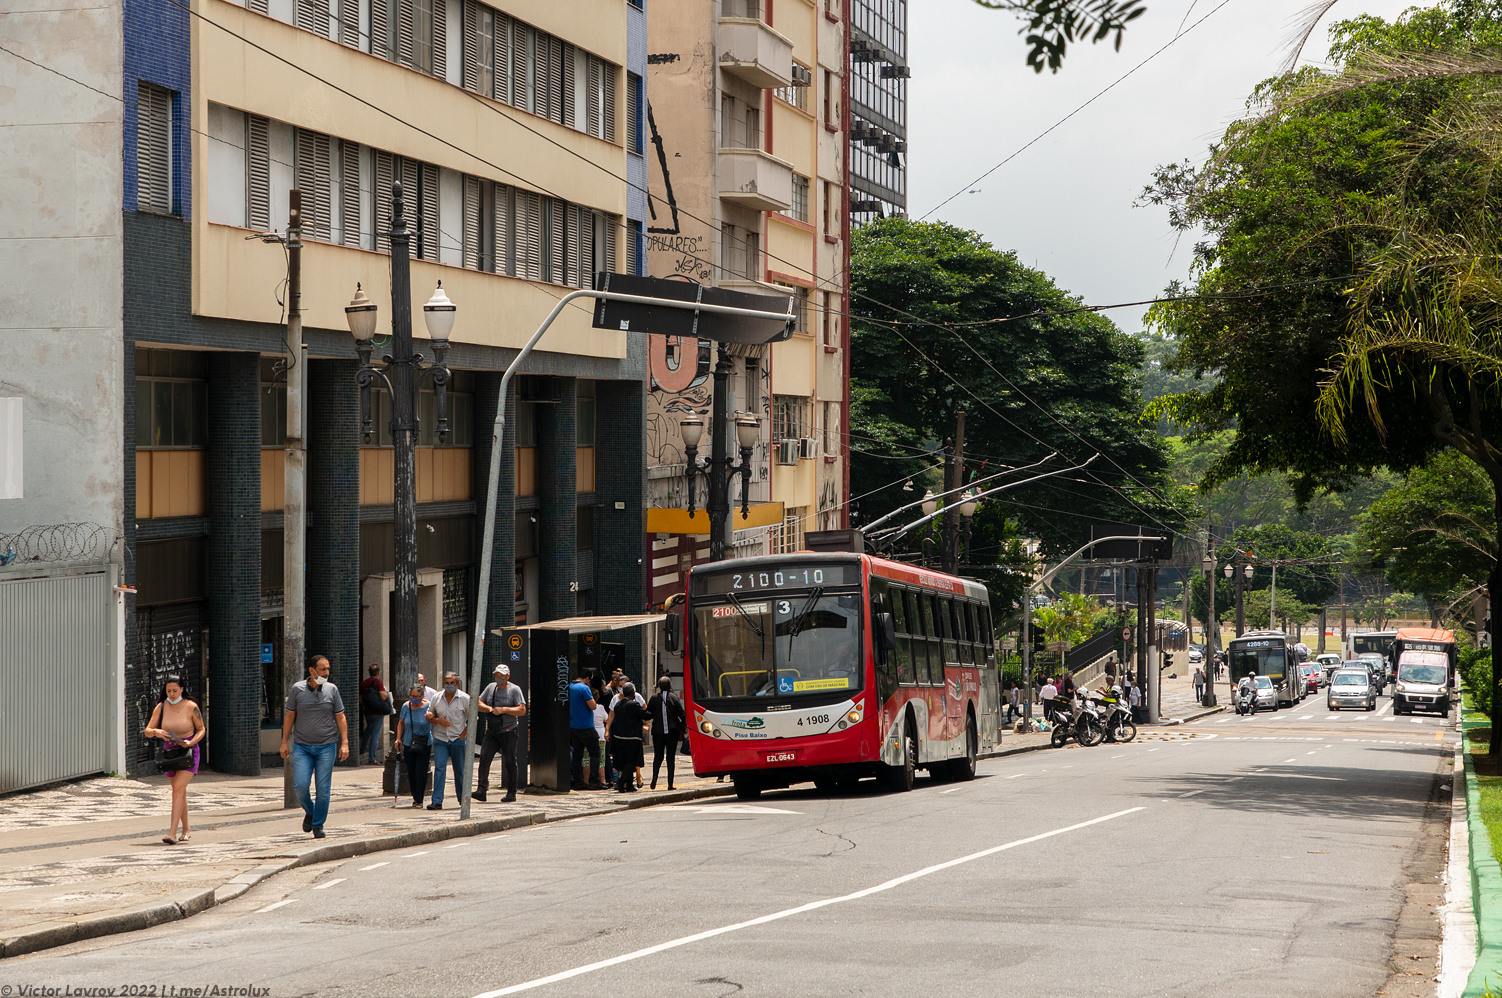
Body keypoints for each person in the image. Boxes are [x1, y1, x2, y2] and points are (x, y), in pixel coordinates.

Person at [280, 654, 349, 839]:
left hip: (326, 746)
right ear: (311, 671)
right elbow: (290, 717)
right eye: (323, 669)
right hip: (302, 746)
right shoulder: (297, 689)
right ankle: (311, 811)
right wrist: (284, 741)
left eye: (328, 669)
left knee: (323, 789)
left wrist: (345, 743)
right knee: (300, 785)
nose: (327, 673)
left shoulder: (332, 690)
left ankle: (318, 825)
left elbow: (340, 717)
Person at [144, 673, 205, 844]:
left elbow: (201, 729)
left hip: (188, 752)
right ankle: (186, 829)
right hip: (170, 754)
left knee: (177, 789)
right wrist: (156, 732)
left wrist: (190, 741)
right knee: (180, 791)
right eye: (169, 691)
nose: (171, 694)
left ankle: (172, 833)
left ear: (182, 690)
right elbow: (148, 729)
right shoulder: (161, 707)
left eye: (175, 691)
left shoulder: (191, 707)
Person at [474, 664, 527, 803]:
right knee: (484, 759)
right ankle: (481, 789)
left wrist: (504, 709)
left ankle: (511, 792)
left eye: (502, 676)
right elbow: (478, 703)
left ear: (507, 676)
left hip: (509, 731)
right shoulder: (491, 688)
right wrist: (490, 709)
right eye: (497, 675)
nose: (499, 678)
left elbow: (522, 710)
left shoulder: (514, 690)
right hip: (491, 731)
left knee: (510, 761)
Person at [425, 672, 469, 810]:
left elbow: (473, 719)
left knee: (459, 770)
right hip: (441, 738)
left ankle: (463, 799)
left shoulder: (464, 698)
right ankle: (437, 801)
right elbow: (429, 716)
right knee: (439, 769)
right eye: (447, 683)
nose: (449, 686)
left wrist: (463, 735)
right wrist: (436, 719)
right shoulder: (437, 698)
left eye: (452, 683)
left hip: (457, 738)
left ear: (458, 684)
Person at [607, 684, 650, 793]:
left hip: (619, 738)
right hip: (632, 738)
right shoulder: (634, 705)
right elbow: (647, 715)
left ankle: (629, 785)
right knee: (632, 762)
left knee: (625, 761)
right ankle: (621, 782)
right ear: (633, 694)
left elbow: (612, 716)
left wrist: (608, 730)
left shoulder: (618, 705)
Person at [395, 682, 432, 808]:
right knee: (411, 771)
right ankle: (415, 796)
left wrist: (431, 717)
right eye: (412, 696)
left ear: (422, 696)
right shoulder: (406, 707)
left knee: (420, 771)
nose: (414, 699)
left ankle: (419, 798)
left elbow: (434, 721)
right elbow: (401, 723)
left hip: (424, 743)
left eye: (417, 696)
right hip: (409, 743)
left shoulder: (428, 706)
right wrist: (398, 738)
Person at [647, 676, 687, 790]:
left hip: (658, 733)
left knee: (657, 757)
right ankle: (670, 784)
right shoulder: (674, 698)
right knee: (671, 758)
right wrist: (684, 728)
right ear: (670, 686)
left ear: (659, 686)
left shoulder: (654, 698)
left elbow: (649, 714)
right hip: (672, 733)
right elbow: (682, 714)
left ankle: (654, 779)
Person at [568, 673, 602, 790]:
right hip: (586, 726)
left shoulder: (570, 686)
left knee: (577, 754)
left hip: (573, 726)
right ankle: (594, 781)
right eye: (589, 680)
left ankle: (578, 781)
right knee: (595, 753)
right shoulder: (584, 688)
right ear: (587, 678)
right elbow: (593, 706)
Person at [359, 664, 391, 766]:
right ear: (378, 673)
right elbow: (382, 696)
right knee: (375, 735)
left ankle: (362, 749)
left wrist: (365, 706)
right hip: (377, 712)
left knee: (368, 730)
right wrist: (386, 693)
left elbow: (361, 698)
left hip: (368, 712)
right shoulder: (378, 682)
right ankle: (372, 758)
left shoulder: (363, 683)